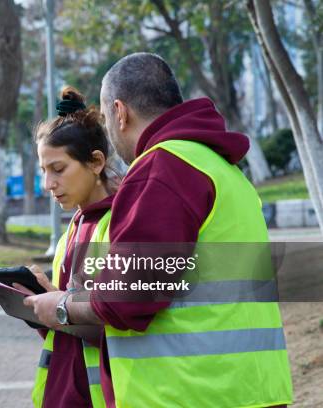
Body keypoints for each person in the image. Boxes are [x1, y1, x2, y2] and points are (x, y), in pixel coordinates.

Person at [24, 52, 293, 407]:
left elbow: (127, 297)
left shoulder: (162, 167)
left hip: (189, 392)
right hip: (249, 386)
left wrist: (60, 307)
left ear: (120, 113)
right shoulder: (220, 168)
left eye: (105, 121)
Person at [17, 86, 118, 408]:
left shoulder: (121, 225)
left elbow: (119, 320)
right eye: (44, 171)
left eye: (58, 169)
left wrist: (61, 308)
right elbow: (65, 323)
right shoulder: (73, 228)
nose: (48, 184)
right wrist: (41, 303)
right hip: (61, 393)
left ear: (96, 162)